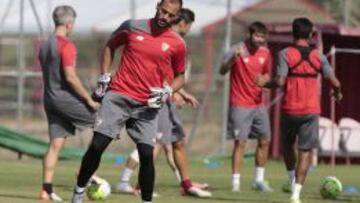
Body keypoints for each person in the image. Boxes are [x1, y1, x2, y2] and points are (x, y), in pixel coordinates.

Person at [71, 0, 186, 203]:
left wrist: (167, 90)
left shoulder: (177, 43)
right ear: (157, 6)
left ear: (177, 17)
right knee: (97, 146)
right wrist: (104, 76)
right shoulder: (132, 26)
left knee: (147, 155)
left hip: (147, 105)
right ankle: (78, 192)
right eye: (163, 11)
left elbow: (180, 77)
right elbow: (110, 46)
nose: (164, 17)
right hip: (118, 97)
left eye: (170, 15)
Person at [116, 8, 211, 198]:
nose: (189, 29)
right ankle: (131, 183)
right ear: (182, 22)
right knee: (157, 143)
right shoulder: (169, 41)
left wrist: (180, 92)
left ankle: (185, 183)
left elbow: (172, 76)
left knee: (173, 144)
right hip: (158, 100)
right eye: (189, 25)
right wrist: (175, 92)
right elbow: (162, 74)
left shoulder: (176, 43)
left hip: (166, 99)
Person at [256, 17, 342, 203]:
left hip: (289, 109)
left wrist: (265, 83)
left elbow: (279, 82)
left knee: (287, 146)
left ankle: (291, 179)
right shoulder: (319, 56)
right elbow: (335, 82)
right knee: (305, 152)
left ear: (292, 33)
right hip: (311, 111)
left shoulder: (285, 53)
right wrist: (337, 93)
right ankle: (296, 194)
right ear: (310, 34)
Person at [38, 5, 101, 202]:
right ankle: (86, 173)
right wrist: (88, 100)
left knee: (55, 145)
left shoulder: (45, 45)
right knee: (102, 123)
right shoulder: (66, 45)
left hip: (49, 99)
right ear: (68, 24)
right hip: (64, 99)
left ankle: (45, 190)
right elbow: (71, 77)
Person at [219, 22, 273, 193]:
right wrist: (233, 59)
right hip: (240, 104)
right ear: (250, 35)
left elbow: (267, 73)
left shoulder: (266, 52)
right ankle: (235, 183)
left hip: (259, 104)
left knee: (265, 140)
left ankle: (259, 181)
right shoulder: (237, 49)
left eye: (263, 37)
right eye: (257, 36)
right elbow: (222, 70)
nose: (260, 40)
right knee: (240, 143)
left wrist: (265, 80)